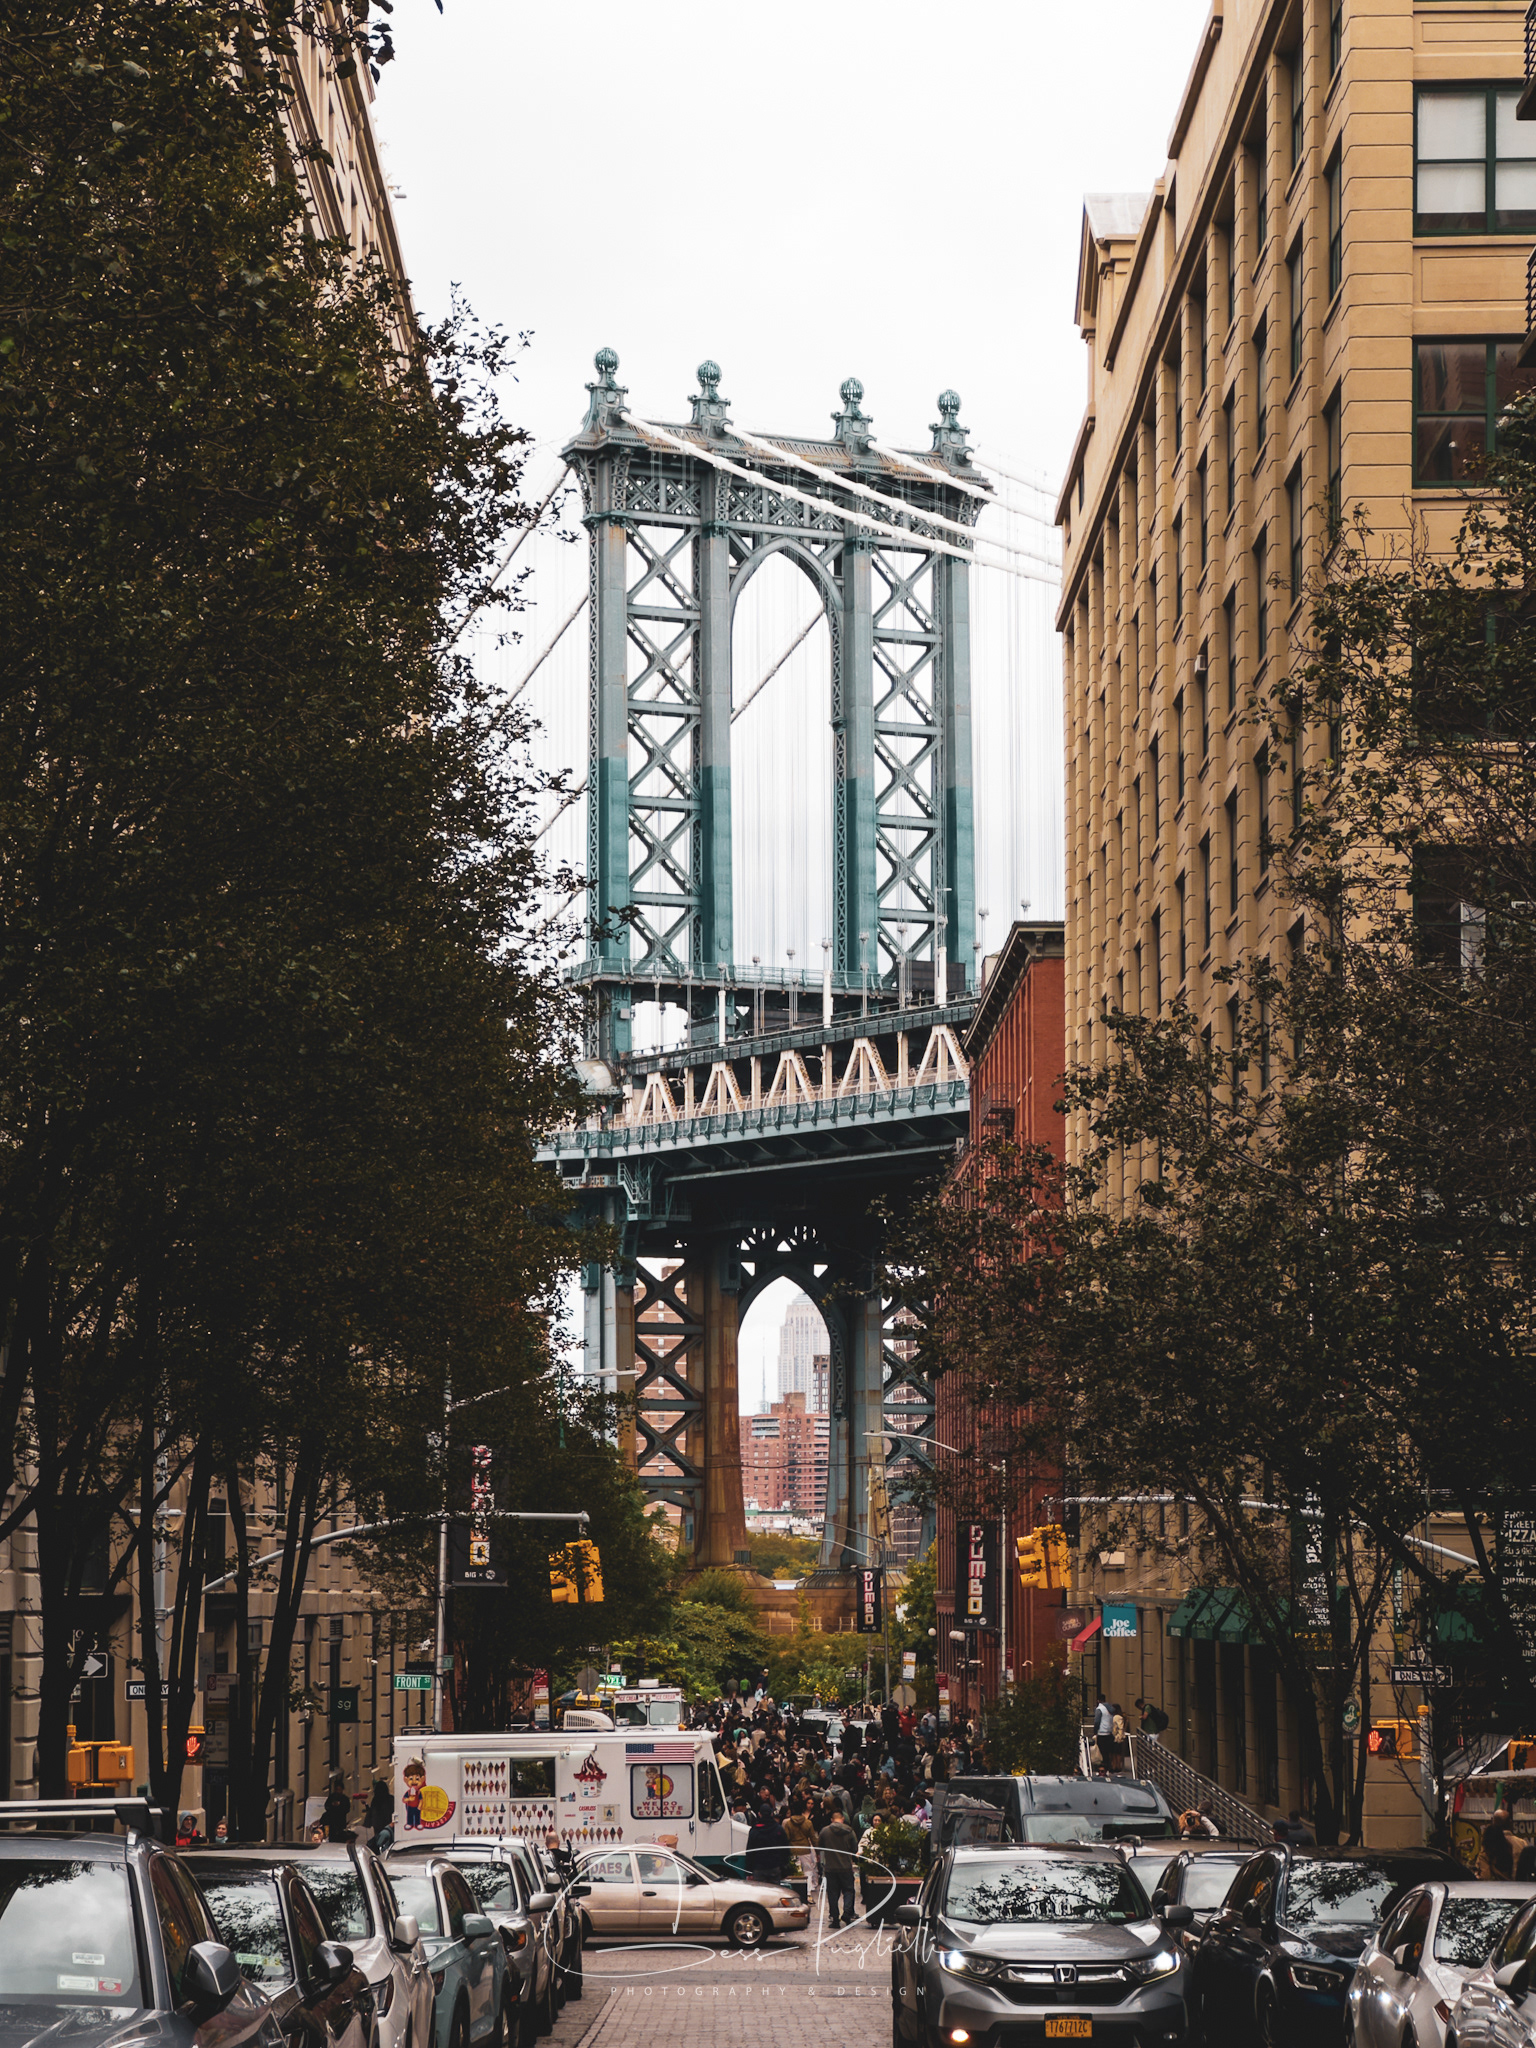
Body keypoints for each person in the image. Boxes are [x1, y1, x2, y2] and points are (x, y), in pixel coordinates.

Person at [818, 1809, 858, 1930]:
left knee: (832, 1894)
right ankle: (846, 1913)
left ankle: (835, 1919)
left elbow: (820, 1847)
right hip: (846, 1867)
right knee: (848, 1891)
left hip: (830, 1868)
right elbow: (854, 1848)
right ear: (842, 1819)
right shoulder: (849, 1831)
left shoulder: (825, 1831)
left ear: (831, 1820)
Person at [744, 1802, 791, 1882]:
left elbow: (750, 1851)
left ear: (759, 1814)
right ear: (771, 1814)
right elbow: (785, 1849)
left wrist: (749, 1871)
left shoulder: (754, 1831)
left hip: (758, 1868)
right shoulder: (778, 1829)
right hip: (774, 1867)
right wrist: (784, 1866)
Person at [1484, 1803, 1518, 1879]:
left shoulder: (1489, 1845)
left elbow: (1485, 1875)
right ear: (1510, 1823)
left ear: (1493, 1822)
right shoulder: (1522, 1843)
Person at [366, 1767, 395, 1850]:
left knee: (379, 1841)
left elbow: (373, 1813)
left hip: (378, 1826)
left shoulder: (375, 1800)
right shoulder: (391, 1799)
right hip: (389, 1825)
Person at [322, 1772, 352, 1845]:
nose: (338, 1791)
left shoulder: (345, 1799)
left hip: (340, 1823)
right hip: (332, 1823)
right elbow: (326, 1806)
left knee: (340, 1841)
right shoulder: (332, 1797)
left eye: (339, 1789)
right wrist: (332, 1805)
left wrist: (340, 1806)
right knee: (332, 1840)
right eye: (336, 1789)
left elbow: (347, 1809)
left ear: (342, 1790)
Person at [1092, 1693, 1113, 1774]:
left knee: (1103, 1752)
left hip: (1101, 1732)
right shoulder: (1110, 1709)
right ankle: (1108, 1767)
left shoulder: (1099, 1709)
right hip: (1109, 1732)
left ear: (1098, 1700)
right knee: (1107, 1752)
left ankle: (1104, 1767)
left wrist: (1095, 1731)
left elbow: (1097, 1721)